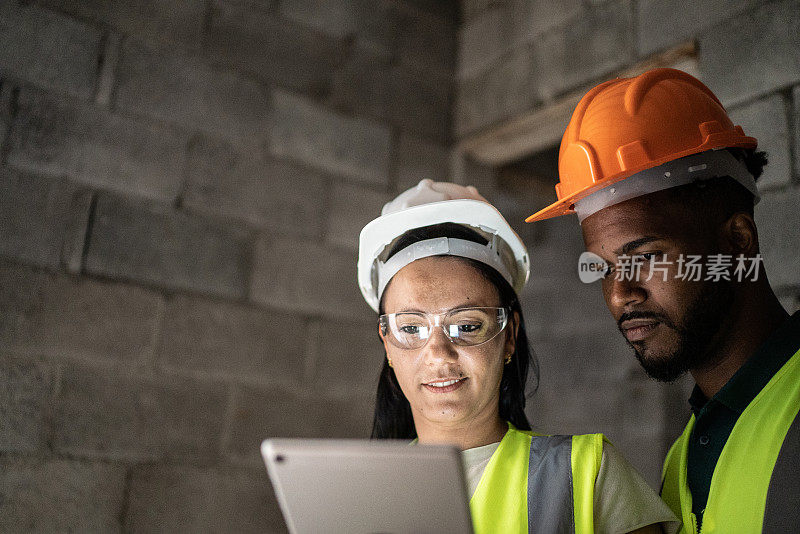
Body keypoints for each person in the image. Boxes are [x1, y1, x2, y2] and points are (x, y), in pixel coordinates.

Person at [526, 68, 800, 533]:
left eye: (646, 257)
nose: (619, 293)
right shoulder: (684, 456)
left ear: (737, 240)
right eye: (603, 267)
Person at [358, 179, 678, 534]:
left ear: (508, 336)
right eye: (411, 328)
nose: (438, 354)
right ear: (386, 343)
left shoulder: (585, 474)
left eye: (466, 325)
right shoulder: (359, 491)